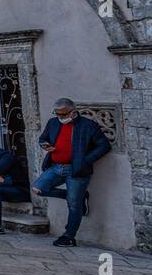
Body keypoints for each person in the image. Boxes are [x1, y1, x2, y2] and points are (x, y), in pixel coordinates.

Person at [32, 98, 110, 247]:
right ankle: (80, 197)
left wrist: (85, 160)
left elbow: (104, 146)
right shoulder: (53, 123)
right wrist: (45, 145)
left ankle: (69, 236)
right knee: (38, 189)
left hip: (77, 170)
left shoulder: (87, 125)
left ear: (73, 112)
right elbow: (43, 138)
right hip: (56, 167)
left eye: (63, 114)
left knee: (73, 205)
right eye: (57, 114)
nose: (60, 117)